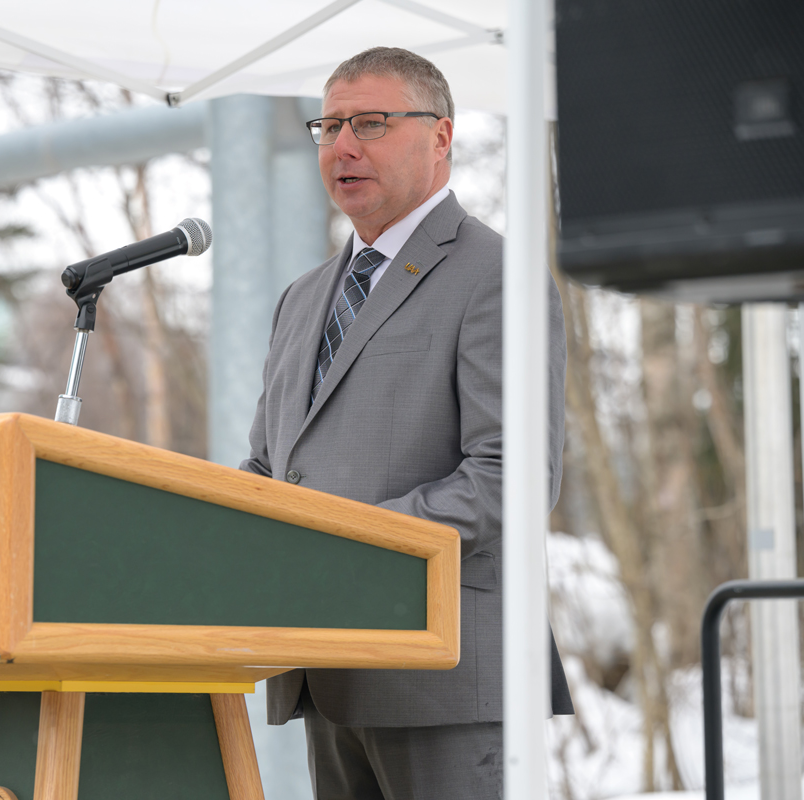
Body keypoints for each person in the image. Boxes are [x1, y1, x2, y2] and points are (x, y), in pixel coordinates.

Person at [239, 47, 572, 799]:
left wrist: (346, 549)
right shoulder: (301, 297)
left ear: (442, 137)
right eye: (329, 126)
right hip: (324, 669)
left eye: (371, 123)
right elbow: (269, 468)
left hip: (444, 679)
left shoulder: (496, 276)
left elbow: (509, 479)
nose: (342, 146)